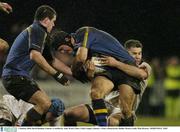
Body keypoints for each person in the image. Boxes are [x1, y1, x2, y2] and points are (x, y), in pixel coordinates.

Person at [50, 27, 142, 126]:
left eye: (61, 49)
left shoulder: (83, 32)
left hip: (125, 67)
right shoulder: (80, 51)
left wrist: (74, 69)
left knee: (125, 110)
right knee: (95, 93)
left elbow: (81, 58)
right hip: (108, 70)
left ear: (67, 40)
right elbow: (91, 75)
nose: (63, 52)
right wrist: (90, 74)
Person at [1, 5, 69, 126]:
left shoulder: (39, 34)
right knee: (44, 103)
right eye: (53, 21)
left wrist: (73, 72)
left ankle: (20, 126)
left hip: (17, 77)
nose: (53, 25)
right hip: (15, 76)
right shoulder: (38, 30)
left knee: (41, 110)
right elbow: (35, 56)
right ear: (46, 20)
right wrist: (57, 75)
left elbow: (52, 61)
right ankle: (21, 126)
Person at [62, 39, 151, 126]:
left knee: (111, 122)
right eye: (134, 53)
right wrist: (90, 75)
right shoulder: (111, 64)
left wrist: (116, 63)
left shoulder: (143, 66)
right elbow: (100, 87)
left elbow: (141, 74)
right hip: (105, 106)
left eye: (139, 53)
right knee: (69, 114)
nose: (138, 56)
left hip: (122, 111)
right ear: (124, 53)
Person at [0, 94, 64, 126]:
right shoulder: (35, 108)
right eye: (52, 114)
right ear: (48, 109)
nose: (53, 117)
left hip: (17, 112)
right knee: (5, 127)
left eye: (56, 115)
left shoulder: (56, 116)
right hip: (8, 105)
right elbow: (20, 126)